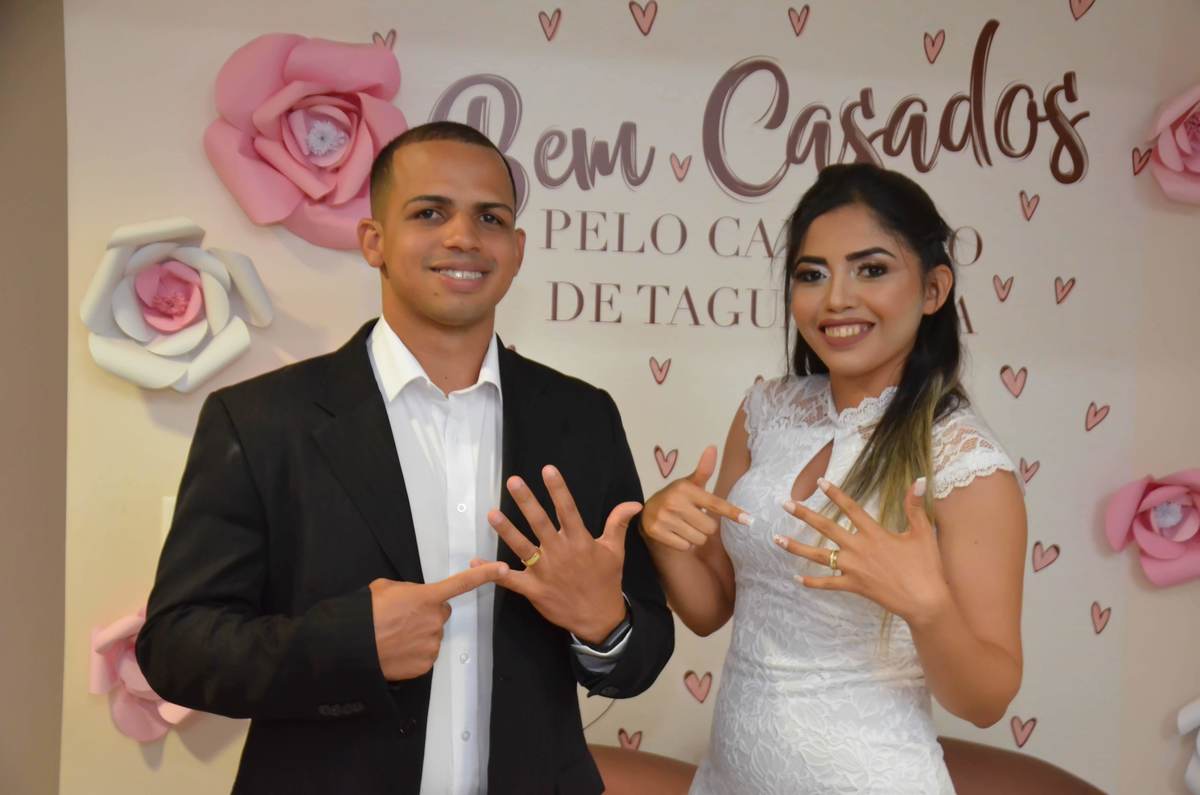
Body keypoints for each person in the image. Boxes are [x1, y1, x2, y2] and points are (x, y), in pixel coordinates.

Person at [135, 121, 673, 795]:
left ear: (516, 250)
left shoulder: (582, 417)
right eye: (429, 213)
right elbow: (176, 647)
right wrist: (350, 644)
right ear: (374, 241)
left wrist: (604, 625)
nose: (463, 237)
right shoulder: (263, 420)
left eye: (490, 217)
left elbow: (642, 652)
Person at [640, 163, 1027, 794]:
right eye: (812, 274)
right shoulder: (766, 412)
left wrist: (925, 606)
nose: (836, 299)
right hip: (731, 779)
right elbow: (712, 609)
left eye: (871, 270)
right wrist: (663, 532)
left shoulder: (964, 460)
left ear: (934, 289)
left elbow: (986, 700)